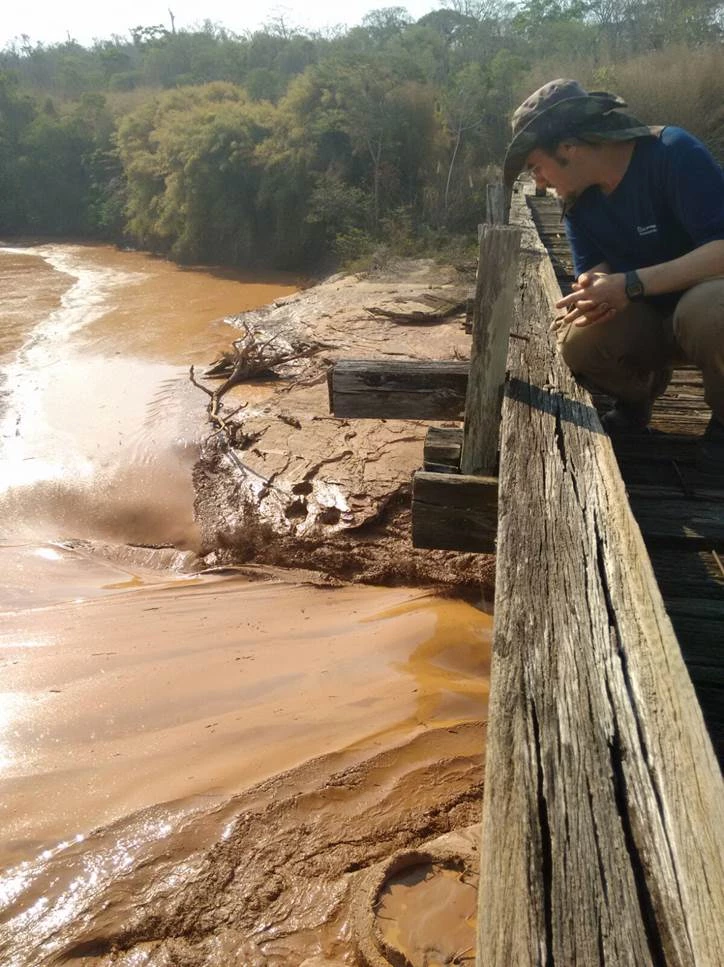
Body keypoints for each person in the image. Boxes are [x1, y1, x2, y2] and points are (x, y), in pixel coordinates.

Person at [502, 78, 724, 467]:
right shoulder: (578, 200)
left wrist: (633, 283)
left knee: (711, 310)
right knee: (578, 338)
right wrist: (591, 289)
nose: (537, 182)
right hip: (648, 320)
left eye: (537, 167)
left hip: (705, 309)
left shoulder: (672, 152)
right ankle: (637, 397)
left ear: (569, 147)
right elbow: (596, 271)